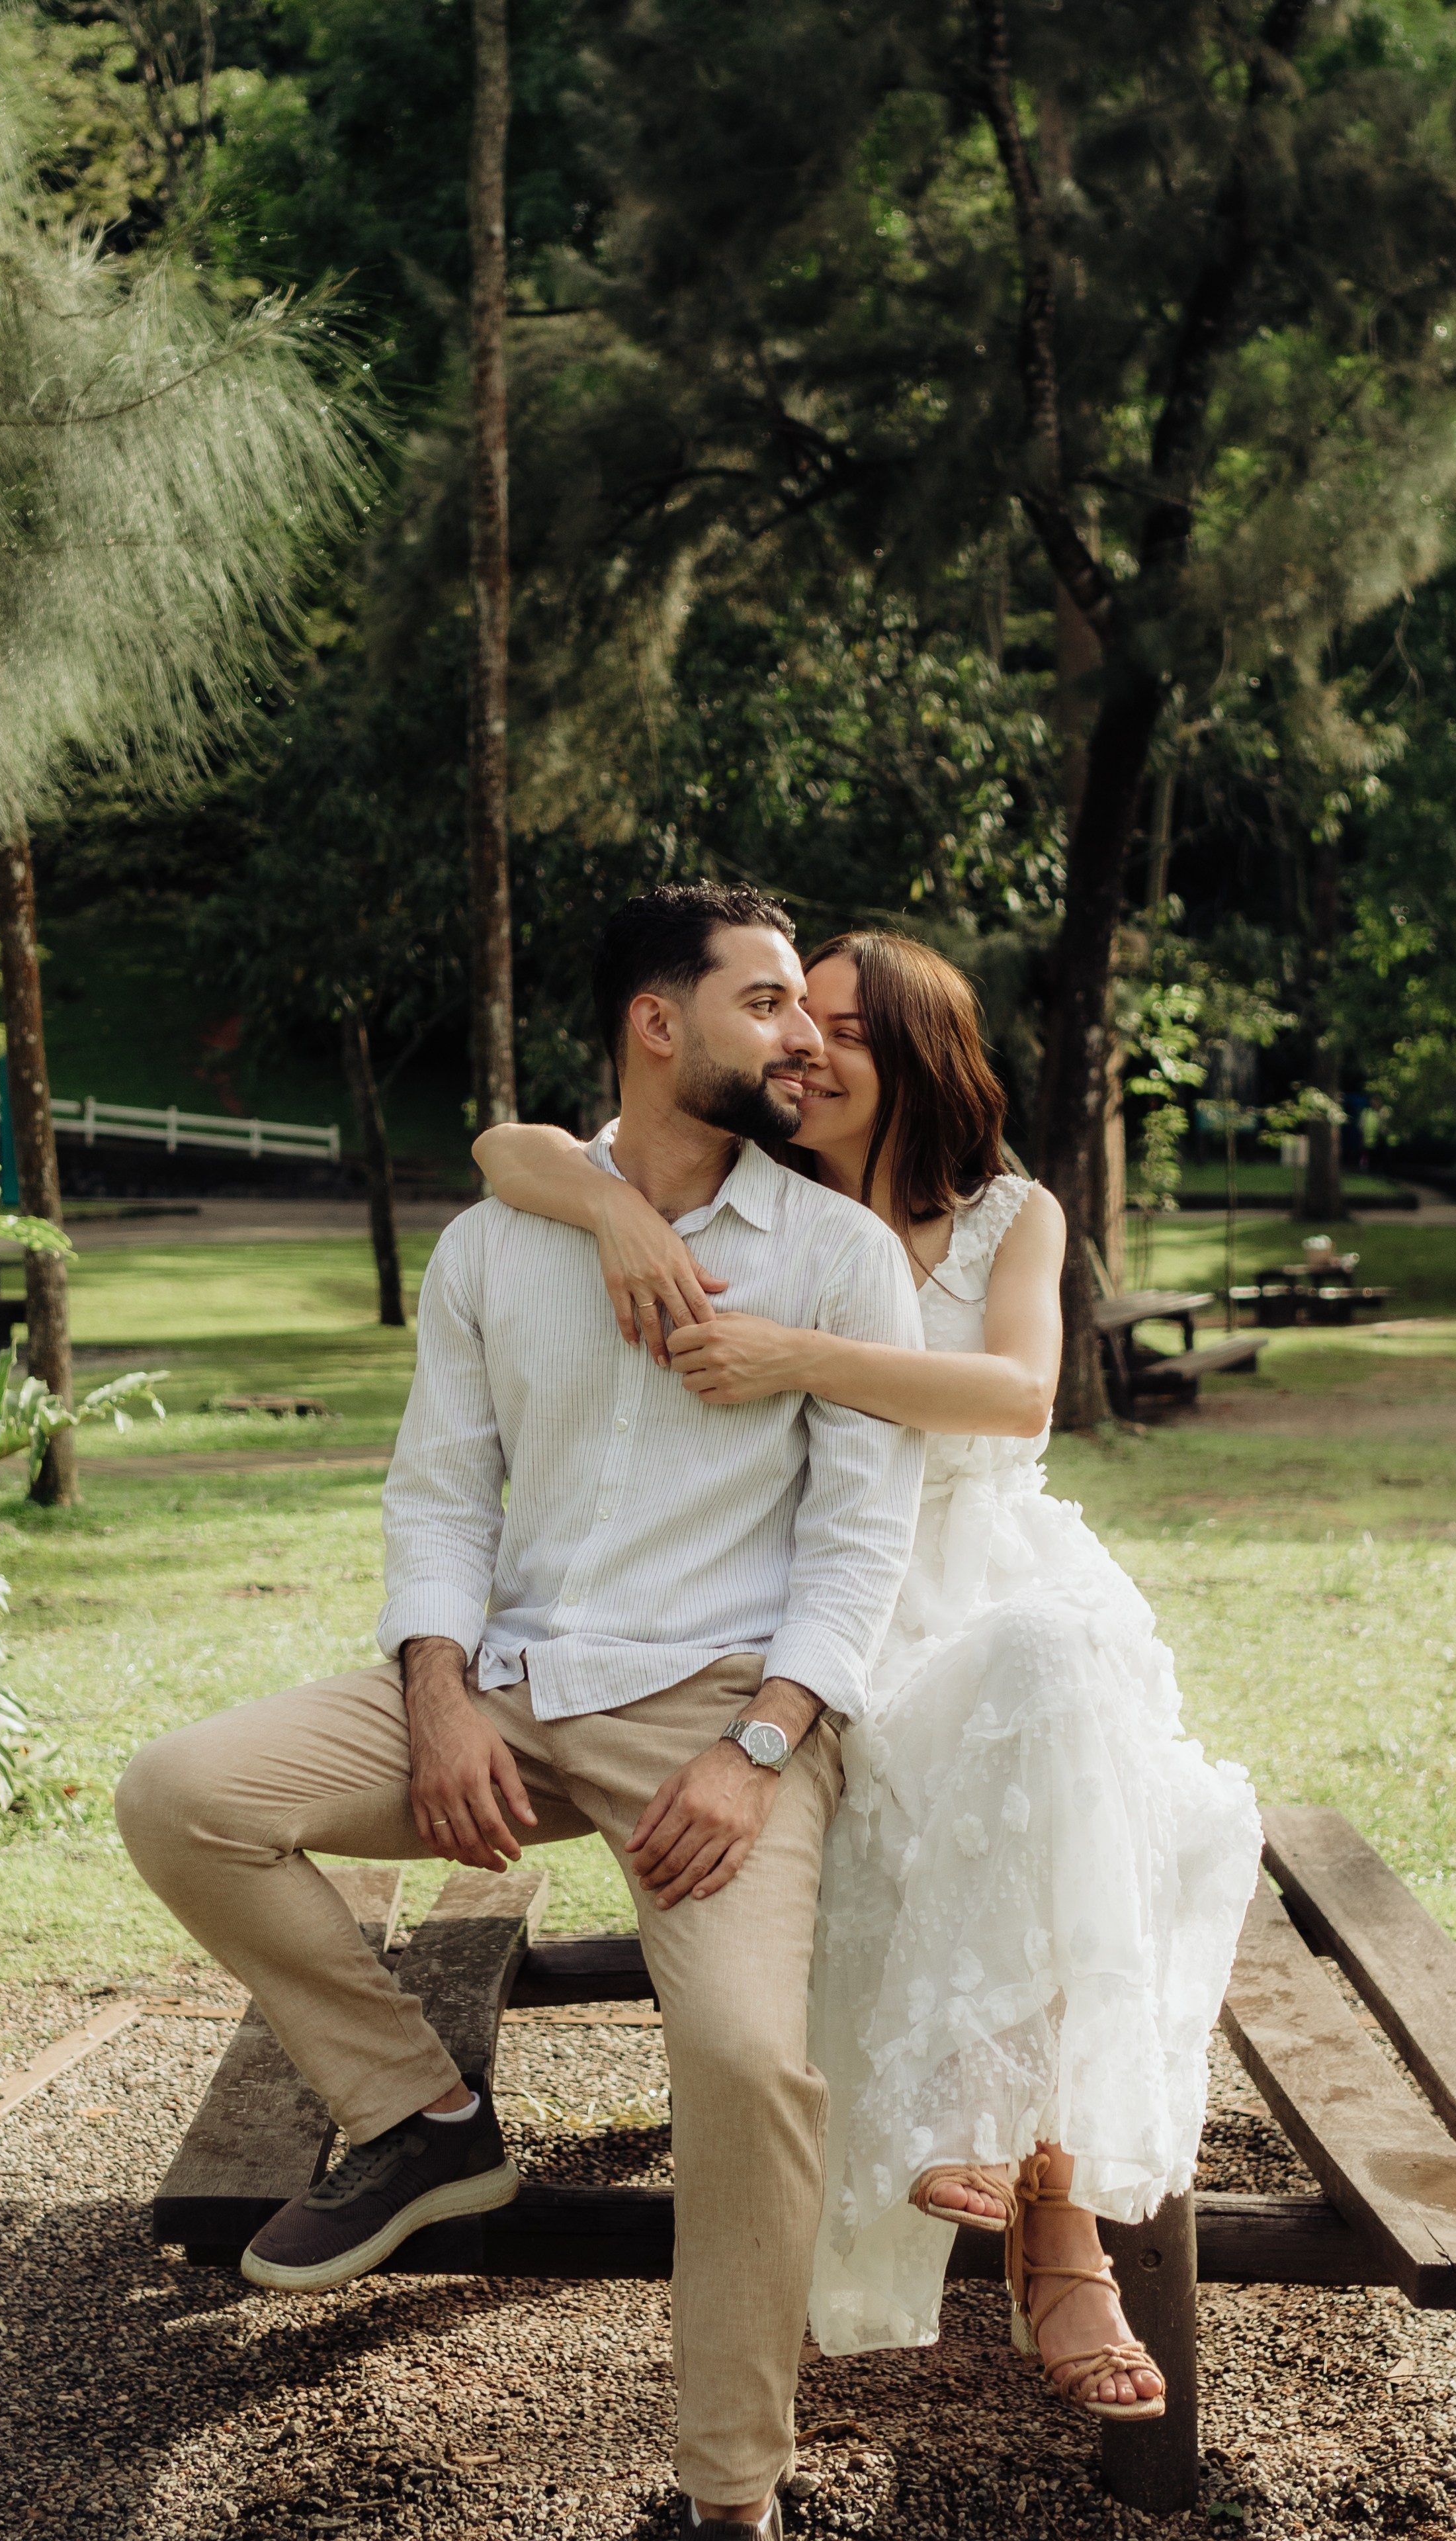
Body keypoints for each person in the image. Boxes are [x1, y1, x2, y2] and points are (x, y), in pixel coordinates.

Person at [115, 883, 927, 2541]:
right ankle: (419, 2113)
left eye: (803, 1010)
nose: (801, 1037)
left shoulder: (837, 1260)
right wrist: (436, 1691)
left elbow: (860, 1550)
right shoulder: (498, 1237)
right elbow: (440, 1495)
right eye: (765, 1003)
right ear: (657, 1019)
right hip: (499, 1687)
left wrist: (759, 1744)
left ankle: (728, 2499)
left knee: (745, 2063)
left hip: (718, 1709)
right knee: (181, 1793)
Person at [475, 927, 1262, 2424]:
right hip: (829, 1605)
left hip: (987, 1574)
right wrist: (607, 1206)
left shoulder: (1005, 1215)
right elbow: (508, 1148)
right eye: (791, 1023)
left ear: (914, 1054)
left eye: (841, 1030)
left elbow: (1018, 1396)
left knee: (1047, 1672)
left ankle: (1027, 2181)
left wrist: (796, 1357)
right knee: (1013, 1735)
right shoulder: (761, 1196)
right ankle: (1055, 2238)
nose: (802, 1053)